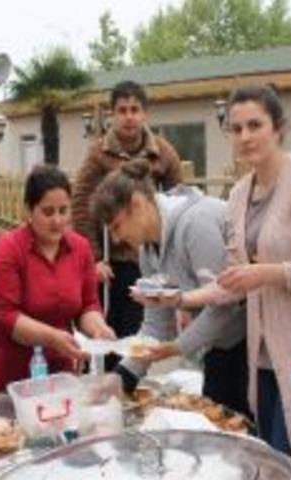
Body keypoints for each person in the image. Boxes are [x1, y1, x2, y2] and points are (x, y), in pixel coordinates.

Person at [155, 85, 291, 465]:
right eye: (236, 128)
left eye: (255, 125)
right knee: (269, 459)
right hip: (260, 357)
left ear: (279, 128)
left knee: (288, 458)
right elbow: (234, 279)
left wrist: (267, 274)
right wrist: (179, 299)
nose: (245, 136)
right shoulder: (239, 193)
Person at [89, 159, 250, 416]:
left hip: (252, 343)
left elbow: (225, 304)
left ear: (137, 204)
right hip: (220, 346)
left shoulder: (196, 223)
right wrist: (122, 376)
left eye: (117, 226)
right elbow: (156, 324)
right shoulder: (148, 251)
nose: (117, 239)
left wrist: (177, 347)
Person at [0, 165, 116, 392]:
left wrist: (98, 328)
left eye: (63, 210)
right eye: (48, 212)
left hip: (60, 372)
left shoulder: (80, 248)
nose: (57, 221)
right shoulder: (7, 250)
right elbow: (5, 317)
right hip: (7, 375)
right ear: (29, 210)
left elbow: (87, 305)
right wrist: (52, 338)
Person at [71, 80, 183, 349]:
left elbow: (177, 201)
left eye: (135, 109)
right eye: (122, 110)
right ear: (113, 114)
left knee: (140, 330)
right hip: (112, 261)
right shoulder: (98, 153)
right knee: (109, 329)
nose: (129, 117)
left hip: (149, 257)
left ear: (145, 114)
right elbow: (81, 205)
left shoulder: (163, 152)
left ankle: (131, 372)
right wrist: (94, 258)